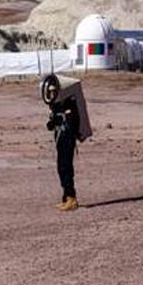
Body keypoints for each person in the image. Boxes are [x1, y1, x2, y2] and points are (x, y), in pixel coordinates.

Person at [42, 75, 92, 212]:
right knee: (61, 167)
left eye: (54, 91)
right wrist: (52, 123)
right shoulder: (57, 106)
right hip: (60, 139)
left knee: (66, 167)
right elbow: (55, 120)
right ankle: (66, 196)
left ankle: (71, 198)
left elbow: (71, 122)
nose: (52, 94)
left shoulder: (69, 104)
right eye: (50, 92)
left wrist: (62, 121)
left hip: (67, 139)